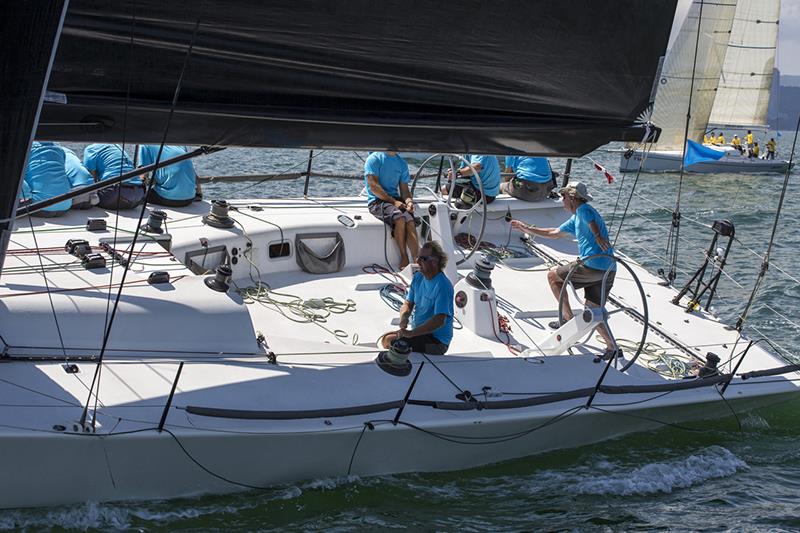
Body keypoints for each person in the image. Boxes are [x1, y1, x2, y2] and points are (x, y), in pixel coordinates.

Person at [510, 180, 619, 359]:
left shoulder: (583, 210)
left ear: (572, 198)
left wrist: (598, 236)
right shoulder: (577, 217)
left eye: (564, 196)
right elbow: (554, 233)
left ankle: (567, 320)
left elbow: (591, 222)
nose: (562, 200)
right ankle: (612, 347)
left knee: (553, 276)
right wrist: (526, 228)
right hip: (608, 269)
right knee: (593, 311)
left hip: (592, 265)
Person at [381, 241, 454, 355]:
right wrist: (404, 318)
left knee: (389, 340)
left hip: (437, 342)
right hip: (419, 333)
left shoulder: (443, 286)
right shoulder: (418, 277)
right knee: (386, 339)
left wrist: (411, 333)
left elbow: (439, 321)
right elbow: (408, 303)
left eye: (422, 259)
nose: (417, 261)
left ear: (435, 262)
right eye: (417, 257)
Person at [364, 151, 419, 269]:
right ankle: (404, 257)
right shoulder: (374, 158)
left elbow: (404, 190)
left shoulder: (402, 163)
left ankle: (417, 260)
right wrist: (394, 202)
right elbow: (373, 186)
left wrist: (409, 202)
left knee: (409, 219)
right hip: (377, 201)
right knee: (399, 217)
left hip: (395, 200)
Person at [83, 144, 144, 210]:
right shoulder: (117, 146)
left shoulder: (90, 149)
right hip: (139, 194)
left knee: (88, 199)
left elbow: (91, 182)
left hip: (116, 193)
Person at [22, 142, 72, 217]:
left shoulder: (26, 148)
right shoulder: (59, 149)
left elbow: (19, 181)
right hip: (66, 205)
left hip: (39, 207)